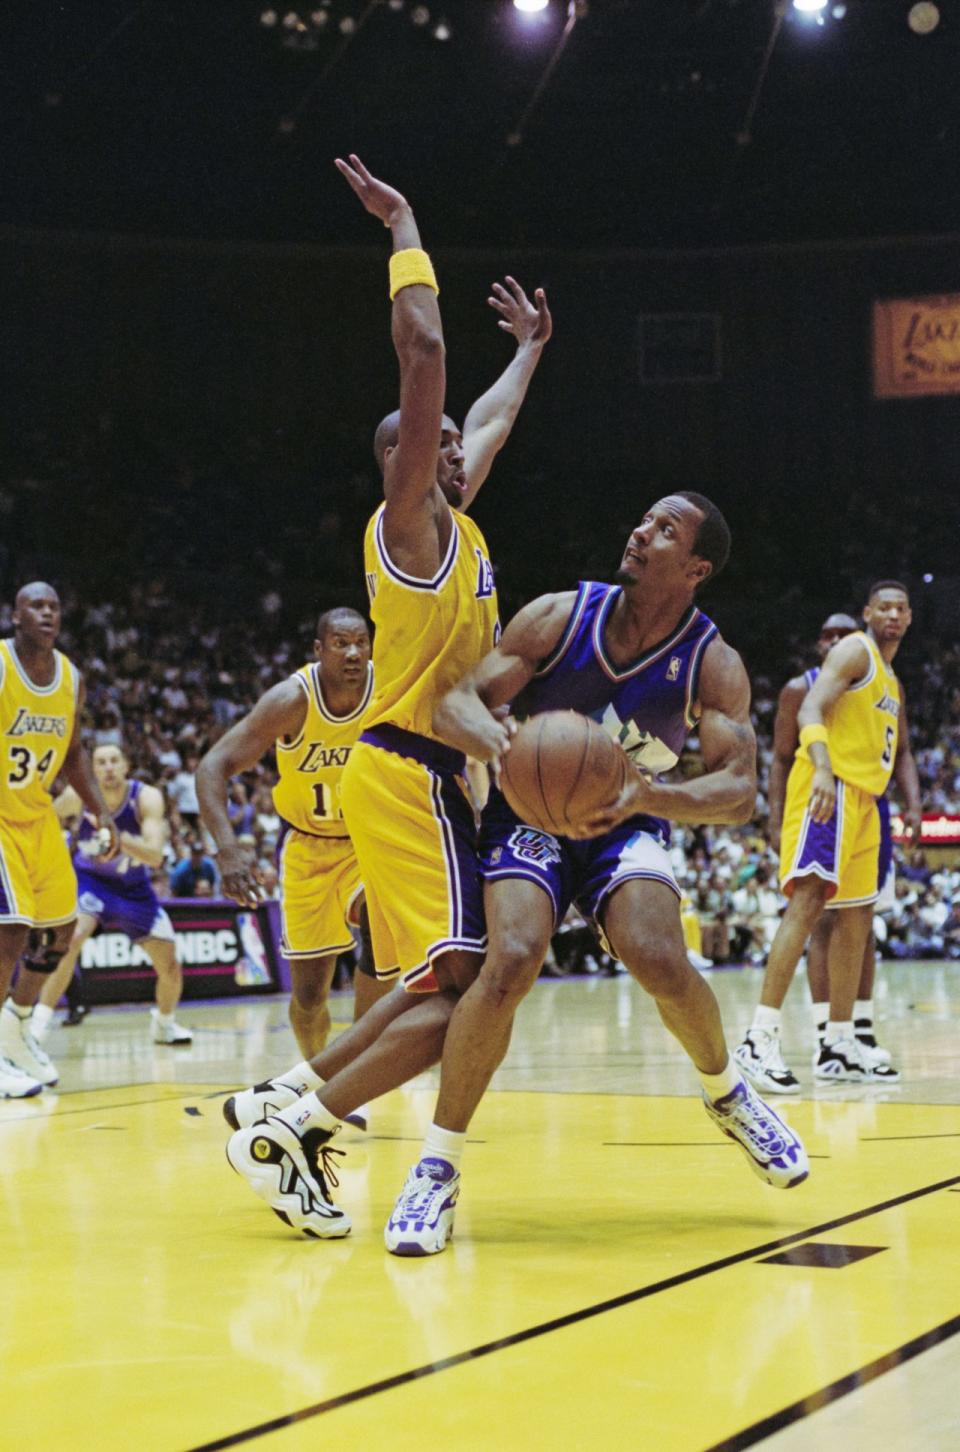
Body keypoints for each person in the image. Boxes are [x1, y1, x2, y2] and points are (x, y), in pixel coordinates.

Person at [226, 495, 809, 1252]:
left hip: (627, 823)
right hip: (525, 819)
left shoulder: (711, 660)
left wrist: (648, 793)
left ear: (696, 567)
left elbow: (738, 792)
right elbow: (456, 702)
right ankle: (436, 1170)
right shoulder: (560, 616)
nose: (639, 531)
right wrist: (502, 742)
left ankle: (728, 1093)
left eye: (665, 530)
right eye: (642, 519)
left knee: (658, 952)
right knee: (503, 964)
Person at [223, 153, 552, 1237]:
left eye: (457, 443)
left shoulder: (461, 520)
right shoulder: (407, 526)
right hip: (407, 771)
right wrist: (405, 223)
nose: (455, 445)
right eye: (433, 440)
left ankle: (284, 1102)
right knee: (461, 991)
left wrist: (531, 354)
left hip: (409, 778)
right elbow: (425, 350)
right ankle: (302, 1127)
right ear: (404, 464)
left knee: (433, 985)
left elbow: (489, 419)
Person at [735, 582, 918, 1090]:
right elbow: (812, 710)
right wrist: (820, 768)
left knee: (858, 915)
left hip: (867, 802)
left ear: (910, 618)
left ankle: (839, 1041)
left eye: (902, 608)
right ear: (868, 613)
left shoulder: (891, 677)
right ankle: (759, 1038)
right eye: (884, 606)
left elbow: (898, 751)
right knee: (809, 904)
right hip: (830, 791)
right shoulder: (854, 650)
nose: (893, 614)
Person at [198, 608, 390, 1057]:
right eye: (341, 643)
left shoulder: (388, 688)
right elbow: (213, 766)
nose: (353, 653)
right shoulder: (290, 700)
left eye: (361, 642)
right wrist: (227, 850)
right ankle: (314, 1071)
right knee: (308, 997)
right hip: (308, 846)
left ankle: (356, 1062)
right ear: (319, 650)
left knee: (382, 930)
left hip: (370, 840)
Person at [0, 582, 118, 1096]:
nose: (47, 613)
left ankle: (15, 1027)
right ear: (15, 615)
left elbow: (72, 754)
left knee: (58, 936)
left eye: (54, 606)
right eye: (36, 606)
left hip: (38, 817)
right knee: (10, 934)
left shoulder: (71, 677)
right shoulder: (2, 665)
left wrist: (101, 813)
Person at [32, 742, 192, 1047]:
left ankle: (165, 1024)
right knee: (73, 935)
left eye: (113, 761)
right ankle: (38, 1026)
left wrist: (118, 838)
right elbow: (42, 817)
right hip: (90, 882)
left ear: (125, 765)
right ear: (92, 769)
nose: (107, 767)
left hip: (134, 890)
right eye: (101, 762)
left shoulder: (146, 797)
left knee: (170, 965)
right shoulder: (79, 795)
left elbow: (156, 856)